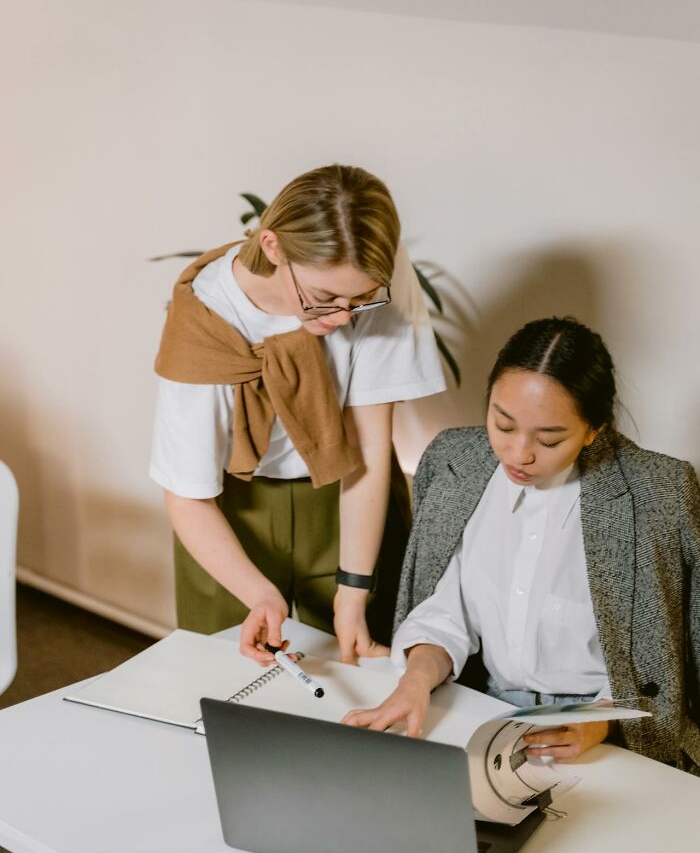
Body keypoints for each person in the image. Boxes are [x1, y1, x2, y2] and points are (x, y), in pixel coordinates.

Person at [343, 317, 700, 774]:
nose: (518, 454)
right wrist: (415, 680)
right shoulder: (455, 462)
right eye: (503, 424)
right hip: (479, 708)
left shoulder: (658, 491)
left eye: (549, 438)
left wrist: (598, 723)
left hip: (611, 730)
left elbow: (662, 652)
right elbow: (445, 612)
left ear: (594, 429)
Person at [150, 164, 445, 671]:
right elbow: (187, 494)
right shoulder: (204, 319)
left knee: (365, 686)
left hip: (350, 499)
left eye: (361, 301)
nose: (343, 319)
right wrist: (260, 595)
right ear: (272, 247)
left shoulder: (374, 274)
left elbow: (371, 448)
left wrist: (353, 592)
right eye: (324, 298)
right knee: (229, 685)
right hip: (229, 515)